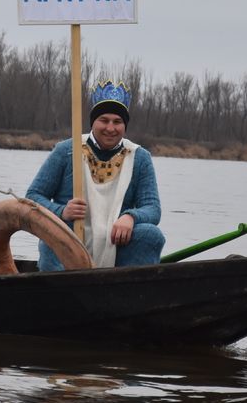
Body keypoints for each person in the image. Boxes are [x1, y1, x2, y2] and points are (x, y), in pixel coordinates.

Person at [26, 80, 165, 270]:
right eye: (104, 120)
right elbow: (32, 197)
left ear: (125, 126)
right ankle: (57, 292)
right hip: (70, 238)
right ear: (93, 123)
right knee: (52, 236)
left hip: (116, 242)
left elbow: (152, 208)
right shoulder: (67, 150)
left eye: (117, 122)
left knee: (151, 235)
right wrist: (62, 212)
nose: (110, 128)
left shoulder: (140, 157)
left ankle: (129, 289)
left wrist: (131, 217)